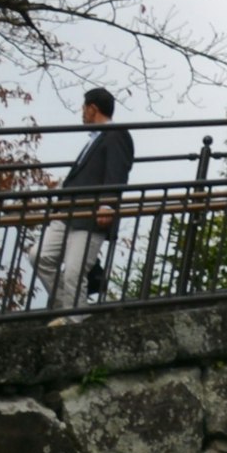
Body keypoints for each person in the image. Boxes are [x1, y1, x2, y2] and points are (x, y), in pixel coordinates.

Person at [38, 91, 133, 310]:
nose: (82, 114)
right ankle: (68, 306)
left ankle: (75, 320)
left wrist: (107, 204)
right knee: (40, 256)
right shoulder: (95, 139)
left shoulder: (116, 134)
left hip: (89, 215)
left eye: (83, 109)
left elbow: (117, 171)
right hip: (68, 212)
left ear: (92, 108)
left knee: (74, 270)